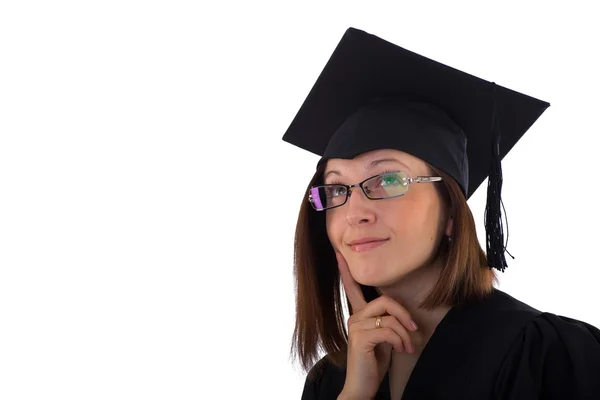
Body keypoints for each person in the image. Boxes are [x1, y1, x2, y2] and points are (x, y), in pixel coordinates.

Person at [282, 28, 600, 399]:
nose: (355, 213)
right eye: (337, 188)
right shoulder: (333, 380)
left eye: (387, 179)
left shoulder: (548, 356)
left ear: (450, 212)